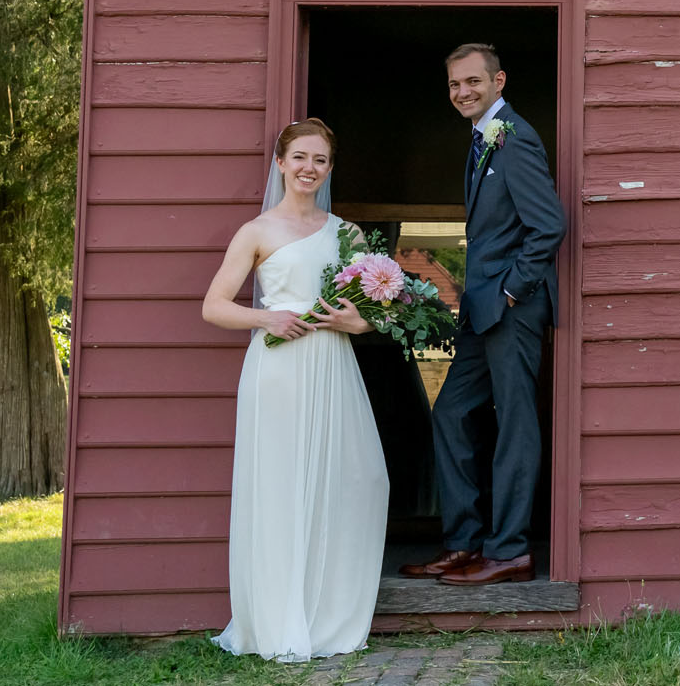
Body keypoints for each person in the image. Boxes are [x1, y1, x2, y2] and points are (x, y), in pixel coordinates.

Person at [201, 117, 389, 658]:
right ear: (281, 163)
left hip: (333, 365)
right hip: (278, 369)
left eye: (321, 160)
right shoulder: (256, 232)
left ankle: (328, 614)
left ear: (330, 169)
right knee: (281, 487)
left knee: (358, 479)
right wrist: (268, 319)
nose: (310, 169)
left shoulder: (347, 233)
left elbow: (375, 312)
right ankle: (280, 619)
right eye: (300, 158)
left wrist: (359, 323)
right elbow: (214, 306)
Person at [401, 43, 565, 586]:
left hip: (511, 309)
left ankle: (510, 549)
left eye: (473, 81)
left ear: (499, 81)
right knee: (449, 411)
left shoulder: (514, 138)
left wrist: (513, 291)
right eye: (454, 84)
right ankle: (465, 543)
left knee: (516, 425)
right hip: (481, 310)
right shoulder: (482, 138)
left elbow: (549, 225)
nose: (462, 92)